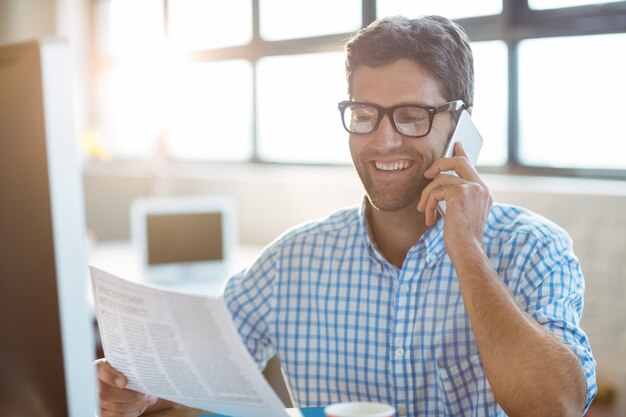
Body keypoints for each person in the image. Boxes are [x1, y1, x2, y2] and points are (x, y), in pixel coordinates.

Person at [96, 15, 596, 417]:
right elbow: (196, 378)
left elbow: (556, 406)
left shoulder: (533, 249)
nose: (383, 140)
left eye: (411, 115)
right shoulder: (293, 260)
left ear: (462, 123)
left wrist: (466, 248)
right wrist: (138, 393)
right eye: (364, 114)